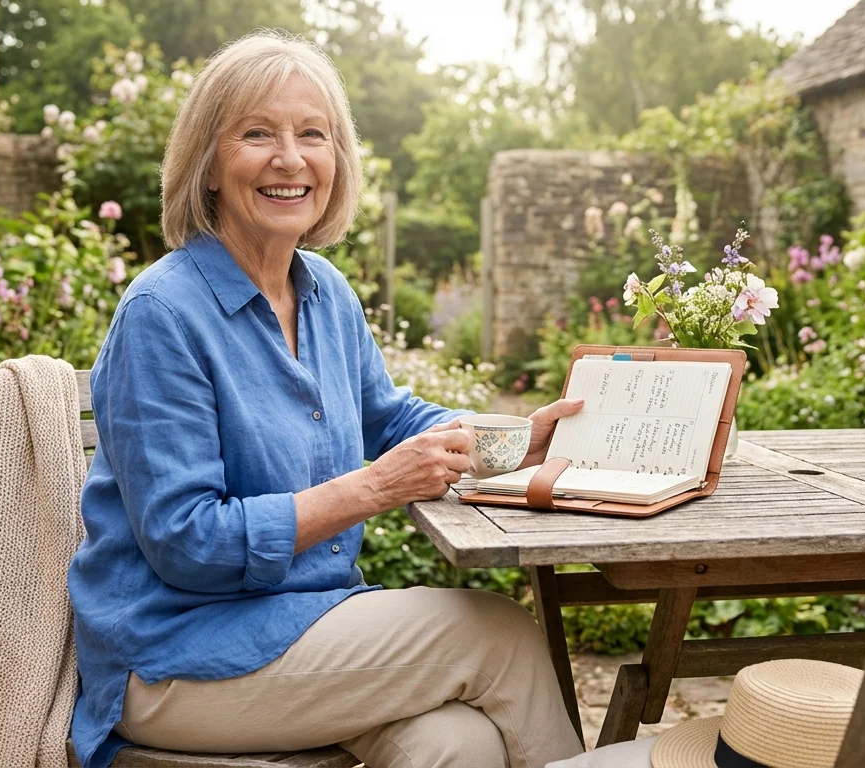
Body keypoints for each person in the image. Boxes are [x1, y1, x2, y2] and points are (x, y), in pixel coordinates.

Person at [67, 31, 586, 768]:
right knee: (497, 632)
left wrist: (503, 437)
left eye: (313, 134)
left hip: (306, 623)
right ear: (208, 166)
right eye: (256, 134)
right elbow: (189, 543)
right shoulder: (164, 314)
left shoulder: (324, 292)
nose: (290, 158)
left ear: (336, 160)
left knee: (457, 743)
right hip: (175, 655)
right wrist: (373, 487)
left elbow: (389, 415)